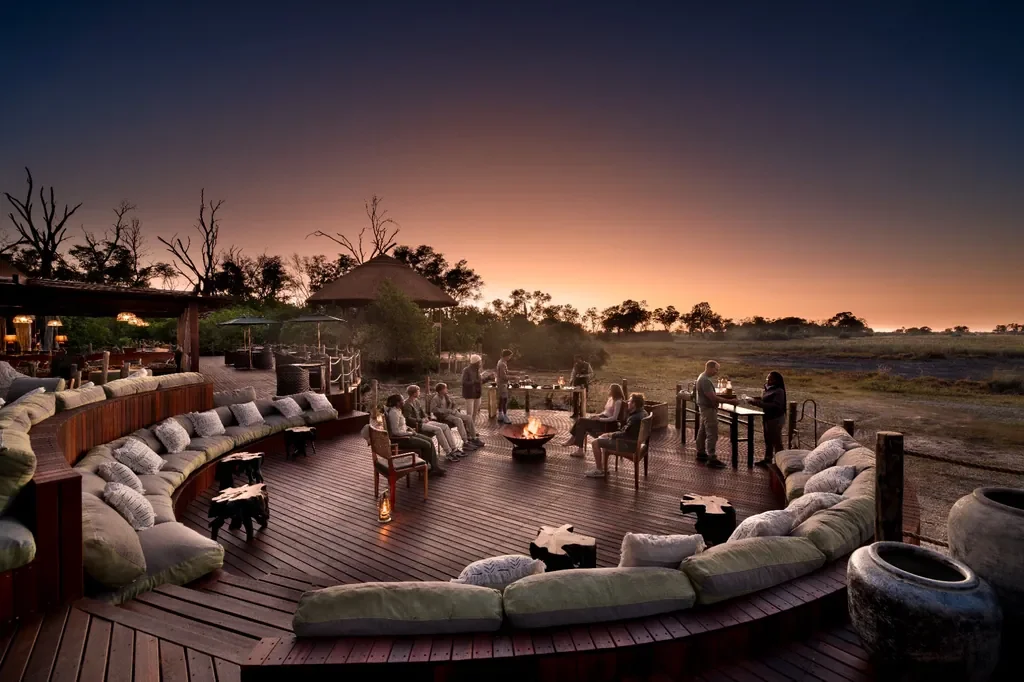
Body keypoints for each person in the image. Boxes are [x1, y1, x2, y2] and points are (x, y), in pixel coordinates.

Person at [586, 392, 648, 477]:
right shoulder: (643, 413)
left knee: (595, 442)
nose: (627, 403)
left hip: (628, 445)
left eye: (629, 401)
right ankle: (604, 469)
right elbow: (627, 431)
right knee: (603, 439)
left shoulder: (635, 418)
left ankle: (599, 470)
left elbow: (624, 434)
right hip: (635, 443)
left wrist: (610, 435)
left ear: (634, 404)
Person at [384, 394, 445, 476]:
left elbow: (401, 425)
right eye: (402, 400)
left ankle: (433, 467)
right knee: (427, 444)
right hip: (401, 439)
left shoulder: (398, 410)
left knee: (429, 440)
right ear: (398, 402)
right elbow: (395, 431)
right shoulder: (393, 413)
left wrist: (409, 428)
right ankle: (423, 468)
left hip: (406, 434)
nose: (404, 401)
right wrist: (410, 433)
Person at [403, 385, 464, 462]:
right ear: (414, 393)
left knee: (445, 426)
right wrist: (420, 420)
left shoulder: (416, 401)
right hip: (418, 425)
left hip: (425, 421)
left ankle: (454, 449)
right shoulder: (407, 404)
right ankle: (448, 452)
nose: (419, 393)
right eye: (418, 391)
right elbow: (407, 419)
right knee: (438, 429)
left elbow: (422, 412)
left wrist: (425, 417)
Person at [564, 383, 625, 456]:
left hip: (607, 424)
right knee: (581, 423)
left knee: (581, 421)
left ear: (614, 391)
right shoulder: (610, 398)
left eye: (610, 389)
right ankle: (577, 447)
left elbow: (614, 418)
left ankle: (574, 442)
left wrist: (599, 419)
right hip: (602, 418)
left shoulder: (618, 402)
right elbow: (605, 412)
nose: (608, 390)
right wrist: (596, 416)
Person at [694, 360, 735, 469]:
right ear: (710, 368)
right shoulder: (705, 380)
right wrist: (731, 402)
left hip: (704, 408)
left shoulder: (702, 377)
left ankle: (701, 452)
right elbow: (713, 397)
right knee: (712, 432)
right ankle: (712, 457)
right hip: (708, 409)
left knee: (702, 431)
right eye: (716, 369)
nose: (716, 372)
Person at [746, 371, 788, 467]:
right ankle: (767, 459)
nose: (768, 380)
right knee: (768, 439)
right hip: (767, 417)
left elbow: (775, 406)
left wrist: (756, 403)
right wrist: (753, 399)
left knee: (777, 441)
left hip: (776, 418)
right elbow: (764, 399)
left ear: (776, 380)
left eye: (771, 378)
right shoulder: (768, 389)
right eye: (768, 378)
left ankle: (782, 463)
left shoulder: (779, 391)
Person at [430, 382, 484, 450]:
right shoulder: (436, 398)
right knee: (458, 420)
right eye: (445, 388)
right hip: (445, 416)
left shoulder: (446, 396)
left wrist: (454, 409)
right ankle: (465, 442)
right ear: (441, 390)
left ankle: (474, 438)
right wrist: (447, 411)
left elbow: (454, 404)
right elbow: (433, 409)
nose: (447, 389)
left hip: (453, 412)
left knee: (469, 417)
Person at [461, 354, 484, 425]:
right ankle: (468, 429)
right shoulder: (466, 370)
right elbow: (464, 382)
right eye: (479, 362)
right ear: (475, 362)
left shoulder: (478, 371)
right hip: (469, 395)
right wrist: (474, 382)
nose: (480, 363)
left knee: (475, 413)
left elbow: (480, 382)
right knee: (469, 414)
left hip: (477, 394)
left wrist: (488, 378)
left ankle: (472, 429)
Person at [569, 354, 594, 419]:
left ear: (581, 359)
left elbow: (591, 373)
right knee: (575, 399)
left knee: (583, 399)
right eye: (576, 360)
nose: (576, 361)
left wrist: (584, 376)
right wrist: (571, 381)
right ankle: (575, 413)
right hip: (576, 383)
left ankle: (582, 413)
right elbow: (573, 373)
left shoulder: (587, 365)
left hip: (584, 383)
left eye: (577, 359)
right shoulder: (575, 365)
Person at [495, 349, 514, 423]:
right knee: (504, 400)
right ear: (506, 356)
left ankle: (500, 414)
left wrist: (515, 373)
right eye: (509, 356)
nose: (510, 358)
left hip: (500, 383)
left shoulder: (501, 362)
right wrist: (514, 378)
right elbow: (504, 376)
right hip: (502, 384)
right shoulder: (502, 364)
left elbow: (507, 372)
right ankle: (505, 416)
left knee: (501, 399)